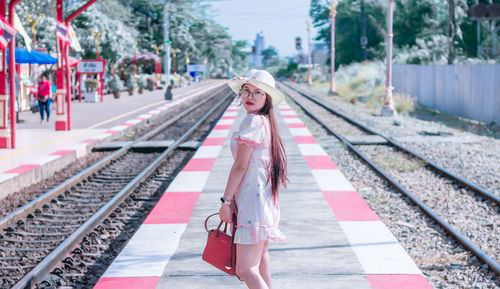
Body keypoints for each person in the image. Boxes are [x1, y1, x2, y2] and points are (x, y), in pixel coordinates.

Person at [219, 70, 288, 289]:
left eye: (258, 92)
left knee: (245, 270)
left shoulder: (253, 121)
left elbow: (240, 167)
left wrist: (226, 202)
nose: (250, 96)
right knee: (260, 263)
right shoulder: (266, 122)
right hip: (261, 200)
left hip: (253, 202)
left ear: (267, 98)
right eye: (246, 91)